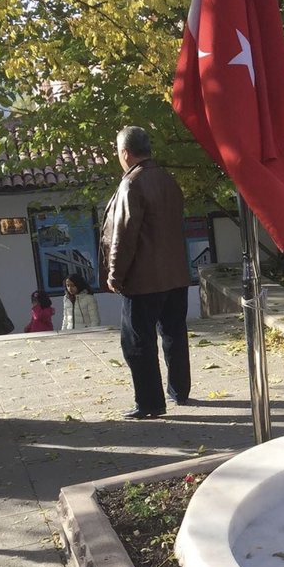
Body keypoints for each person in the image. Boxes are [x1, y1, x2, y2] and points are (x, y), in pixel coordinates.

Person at [100, 125, 191, 419]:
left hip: (143, 279)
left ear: (125, 152)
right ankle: (180, 391)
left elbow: (123, 236)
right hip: (175, 274)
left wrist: (115, 275)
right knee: (174, 335)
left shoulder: (132, 184)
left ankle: (150, 404)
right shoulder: (167, 179)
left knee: (138, 342)